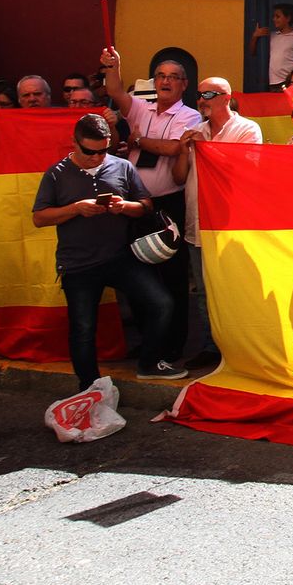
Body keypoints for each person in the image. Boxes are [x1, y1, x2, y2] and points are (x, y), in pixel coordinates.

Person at [33, 114, 181, 386]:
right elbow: (39, 218)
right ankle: (89, 386)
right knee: (83, 327)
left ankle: (149, 363)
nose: (97, 158)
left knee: (161, 303)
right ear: (74, 142)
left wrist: (124, 206)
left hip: (121, 257)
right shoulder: (56, 173)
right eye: (90, 152)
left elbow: (145, 205)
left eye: (103, 151)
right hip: (78, 264)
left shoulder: (122, 166)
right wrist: (75, 209)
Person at [99, 46, 202, 370]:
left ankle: (171, 346)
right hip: (137, 203)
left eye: (173, 77)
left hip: (169, 204)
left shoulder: (189, 116)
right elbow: (115, 91)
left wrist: (139, 141)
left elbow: (173, 148)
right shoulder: (141, 109)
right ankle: (147, 341)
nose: (166, 82)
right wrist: (113, 66)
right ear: (154, 81)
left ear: (184, 84)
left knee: (171, 276)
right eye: (160, 76)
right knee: (136, 273)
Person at [172, 76, 263, 369]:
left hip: (229, 226)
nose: (201, 100)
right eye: (199, 95)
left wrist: (208, 149)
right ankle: (211, 347)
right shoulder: (195, 131)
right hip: (196, 224)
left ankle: (237, 349)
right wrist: (183, 151)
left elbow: (245, 172)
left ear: (226, 97)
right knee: (203, 290)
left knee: (233, 288)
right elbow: (178, 177)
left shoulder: (247, 129)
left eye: (208, 94)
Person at [251, 3, 293, 87]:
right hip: (273, 83)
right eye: (273, 16)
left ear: (288, 18)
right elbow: (252, 52)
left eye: (277, 16)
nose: (274, 19)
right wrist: (254, 36)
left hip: (291, 83)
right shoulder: (271, 36)